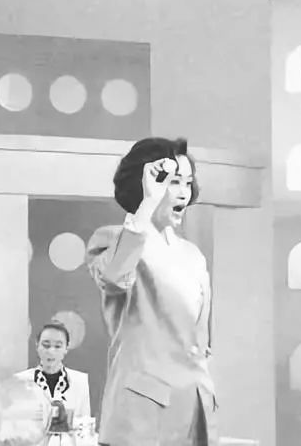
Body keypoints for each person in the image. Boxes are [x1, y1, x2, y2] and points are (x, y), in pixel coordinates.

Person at [86, 137, 217, 446]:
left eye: (188, 182)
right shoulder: (115, 239)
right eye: (173, 181)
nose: (183, 192)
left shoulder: (193, 256)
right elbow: (114, 278)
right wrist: (146, 203)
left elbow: (200, 341)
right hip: (141, 417)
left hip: (194, 412)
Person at [15, 321, 91, 442]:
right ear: (37, 346)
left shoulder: (80, 382)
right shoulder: (20, 381)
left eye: (57, 346)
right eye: (46, 345)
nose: (51, 351)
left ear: (66, 348)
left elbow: (84, 428)